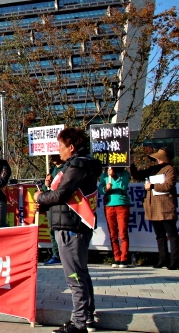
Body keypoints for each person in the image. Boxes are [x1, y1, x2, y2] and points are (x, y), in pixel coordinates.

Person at [35, 127, 101, 333]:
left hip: (71, 225)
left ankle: (79, 323)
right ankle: (86, 315)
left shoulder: (78, 165)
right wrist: (46, 201)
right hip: (71, 223)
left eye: (60, 146)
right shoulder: (80, 164)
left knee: (74, 276)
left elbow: (62, 194)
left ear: (71, 147)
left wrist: (41, 198)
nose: (58, 150)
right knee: (80, 272)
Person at [130, 147, 178, 269]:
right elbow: (137, 175)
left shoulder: (170, 169)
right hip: (153, 205)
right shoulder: (153, 169)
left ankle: (175, 260)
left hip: (166, 205)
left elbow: (168, 185)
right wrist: (131, 164)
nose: (157, 160)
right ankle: (163, 259)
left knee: (171, 234)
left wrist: (152, 186)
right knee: (159, 234)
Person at [99, 166, 131, 268]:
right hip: (108, 205)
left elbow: (124, 186)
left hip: (122, 204)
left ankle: (124, 258)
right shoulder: (104, 175)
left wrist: (114, 176)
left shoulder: (124, 173)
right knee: (113, 234)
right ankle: (116, 257)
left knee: (123, 233)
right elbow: (100, 189)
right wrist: (105, 189)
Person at [43, 154, 64, 265]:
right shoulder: (51, 170)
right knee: (52, 230)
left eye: (55, 155)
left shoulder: (66, 169)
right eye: (51, 156)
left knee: (63, 232)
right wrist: (46, 184)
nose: (52, 158)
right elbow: (44, 188)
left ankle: (64, 255)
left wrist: (53, 184)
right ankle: (56, 255)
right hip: (51, 206)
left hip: (62, 206)